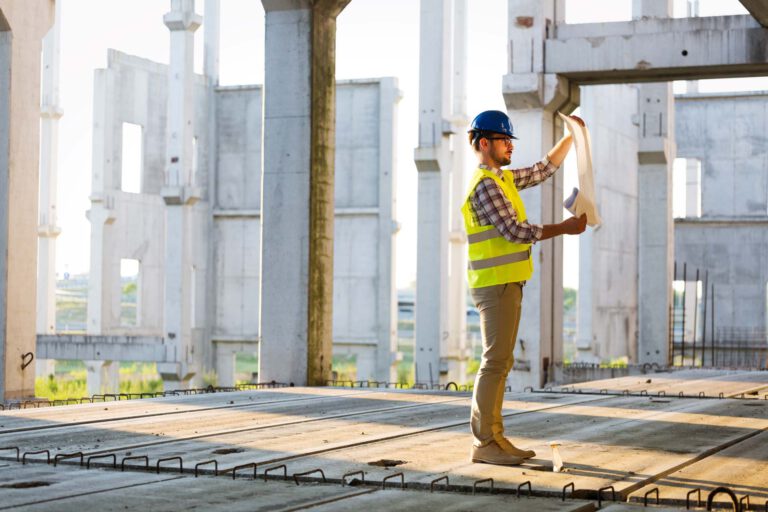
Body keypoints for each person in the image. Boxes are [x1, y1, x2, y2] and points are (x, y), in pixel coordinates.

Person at [463, 110, 587, 466]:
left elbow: (542, 170)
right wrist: (563, 228)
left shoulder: (500, 179)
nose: (510, 147)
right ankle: (485, 442)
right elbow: (515, 232)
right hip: (495, 285)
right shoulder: (486, 185)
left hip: (505, 284)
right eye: (504, 141)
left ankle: (494, 438)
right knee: (494, 362)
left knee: (500, 362)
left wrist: (571, 136)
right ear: (484, 143)